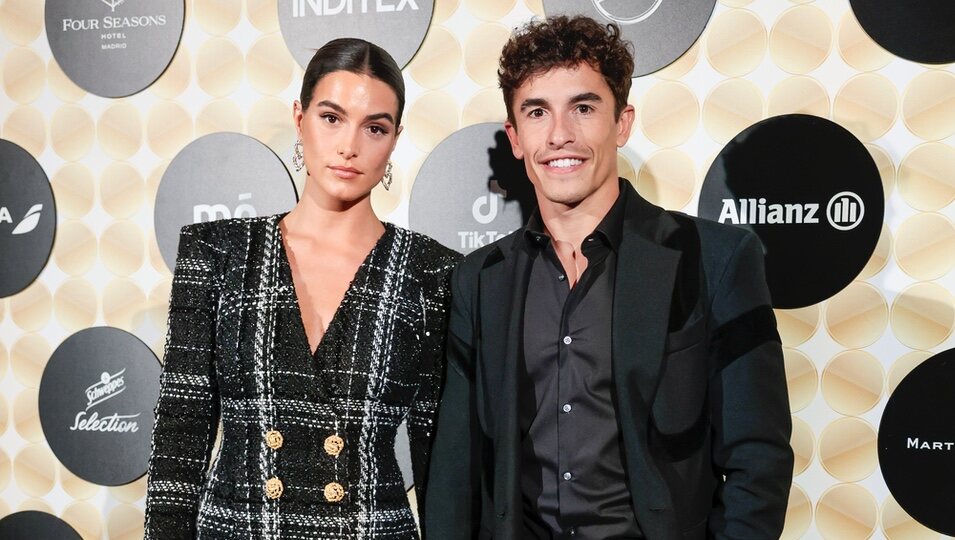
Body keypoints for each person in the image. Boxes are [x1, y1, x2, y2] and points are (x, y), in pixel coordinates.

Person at [425, 16, 793, 540]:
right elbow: (455, 471)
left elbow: (759, 458)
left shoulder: (715, 259)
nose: (559, 135)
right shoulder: (480, 280)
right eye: (537, 112)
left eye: (583, 107)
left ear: (622, 122)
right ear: (515, 136)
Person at [144, 38, 459, 539]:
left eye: (374, 127)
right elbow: (181, 434)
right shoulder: (218, 253)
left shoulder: (432, 272)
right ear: (300, 118)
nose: (349, 146)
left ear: (395, 139)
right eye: (331, 118)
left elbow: (439, 457)